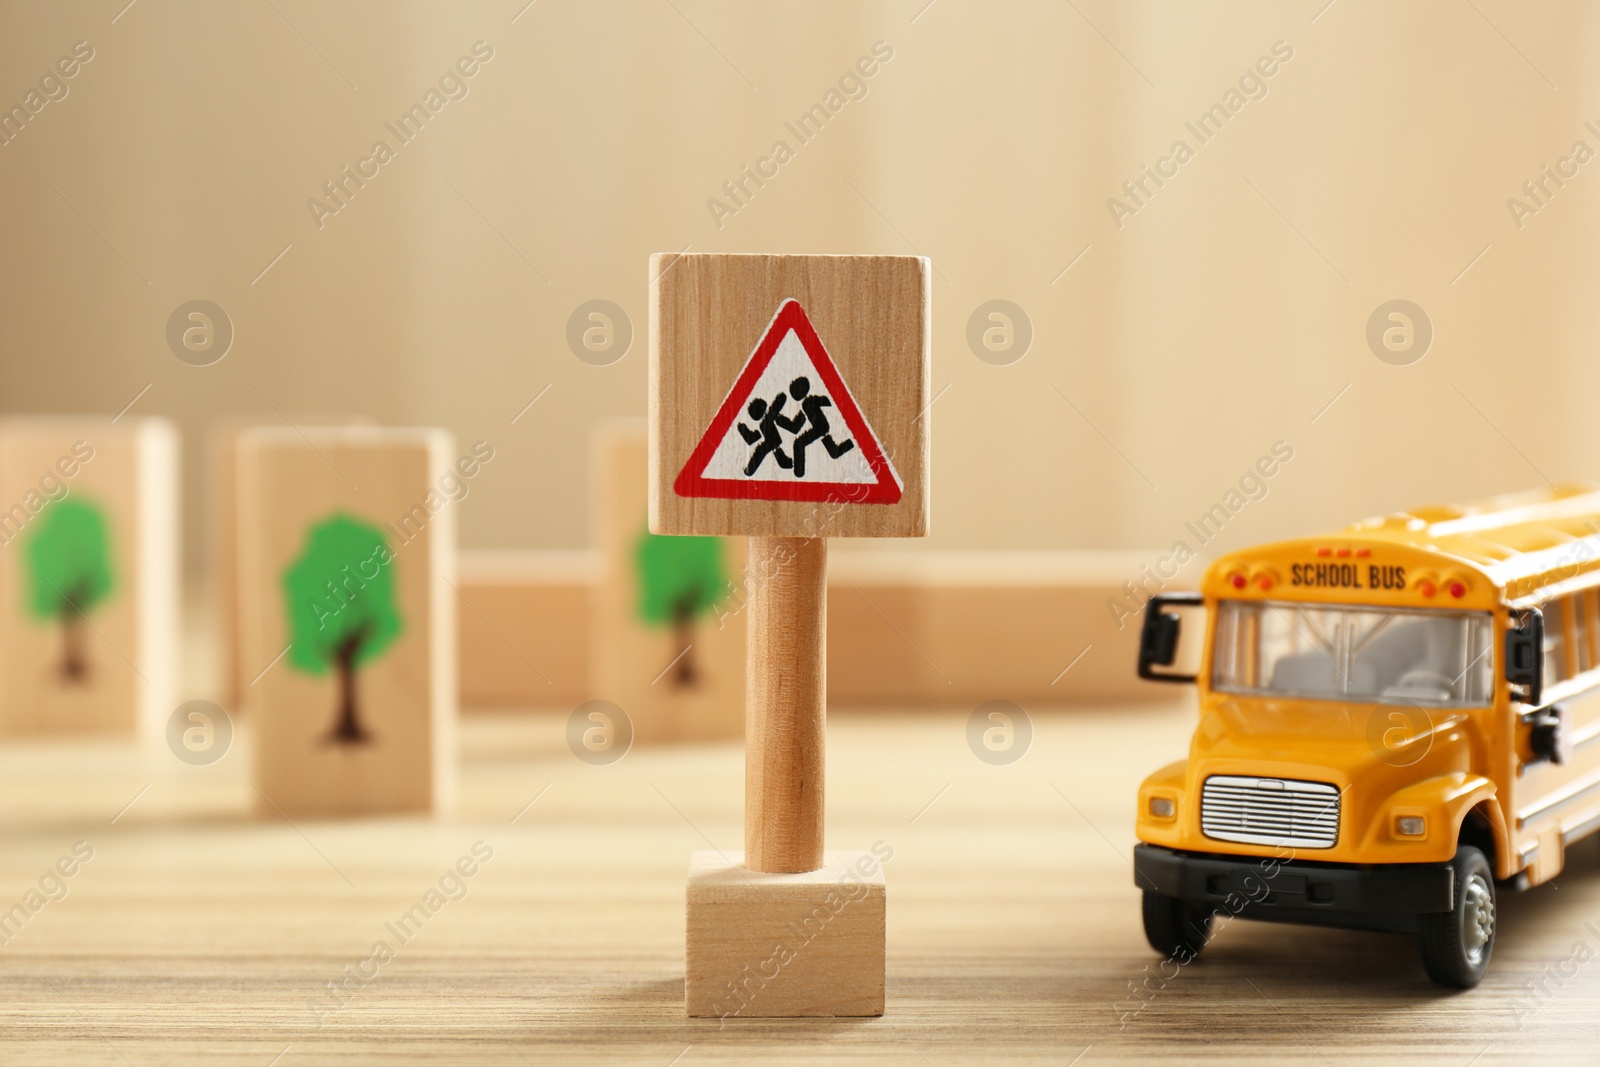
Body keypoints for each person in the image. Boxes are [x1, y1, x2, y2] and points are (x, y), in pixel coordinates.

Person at [787, 376, 854, 478]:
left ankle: (799, 472)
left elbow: (827, 401)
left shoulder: (810, 400)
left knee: (799, 443)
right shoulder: (806, 404)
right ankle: (852, 442)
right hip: (821, 428)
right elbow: (797, 425)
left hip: (820, 428)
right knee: (834, 452)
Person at [737, 394, 794, 476]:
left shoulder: (766, 420)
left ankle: (748, 471)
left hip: (772, 443)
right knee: (768, 449)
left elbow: (782, 398)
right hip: (772, 443)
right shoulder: (767, 420)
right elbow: (781, 398)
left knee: (767, 449)